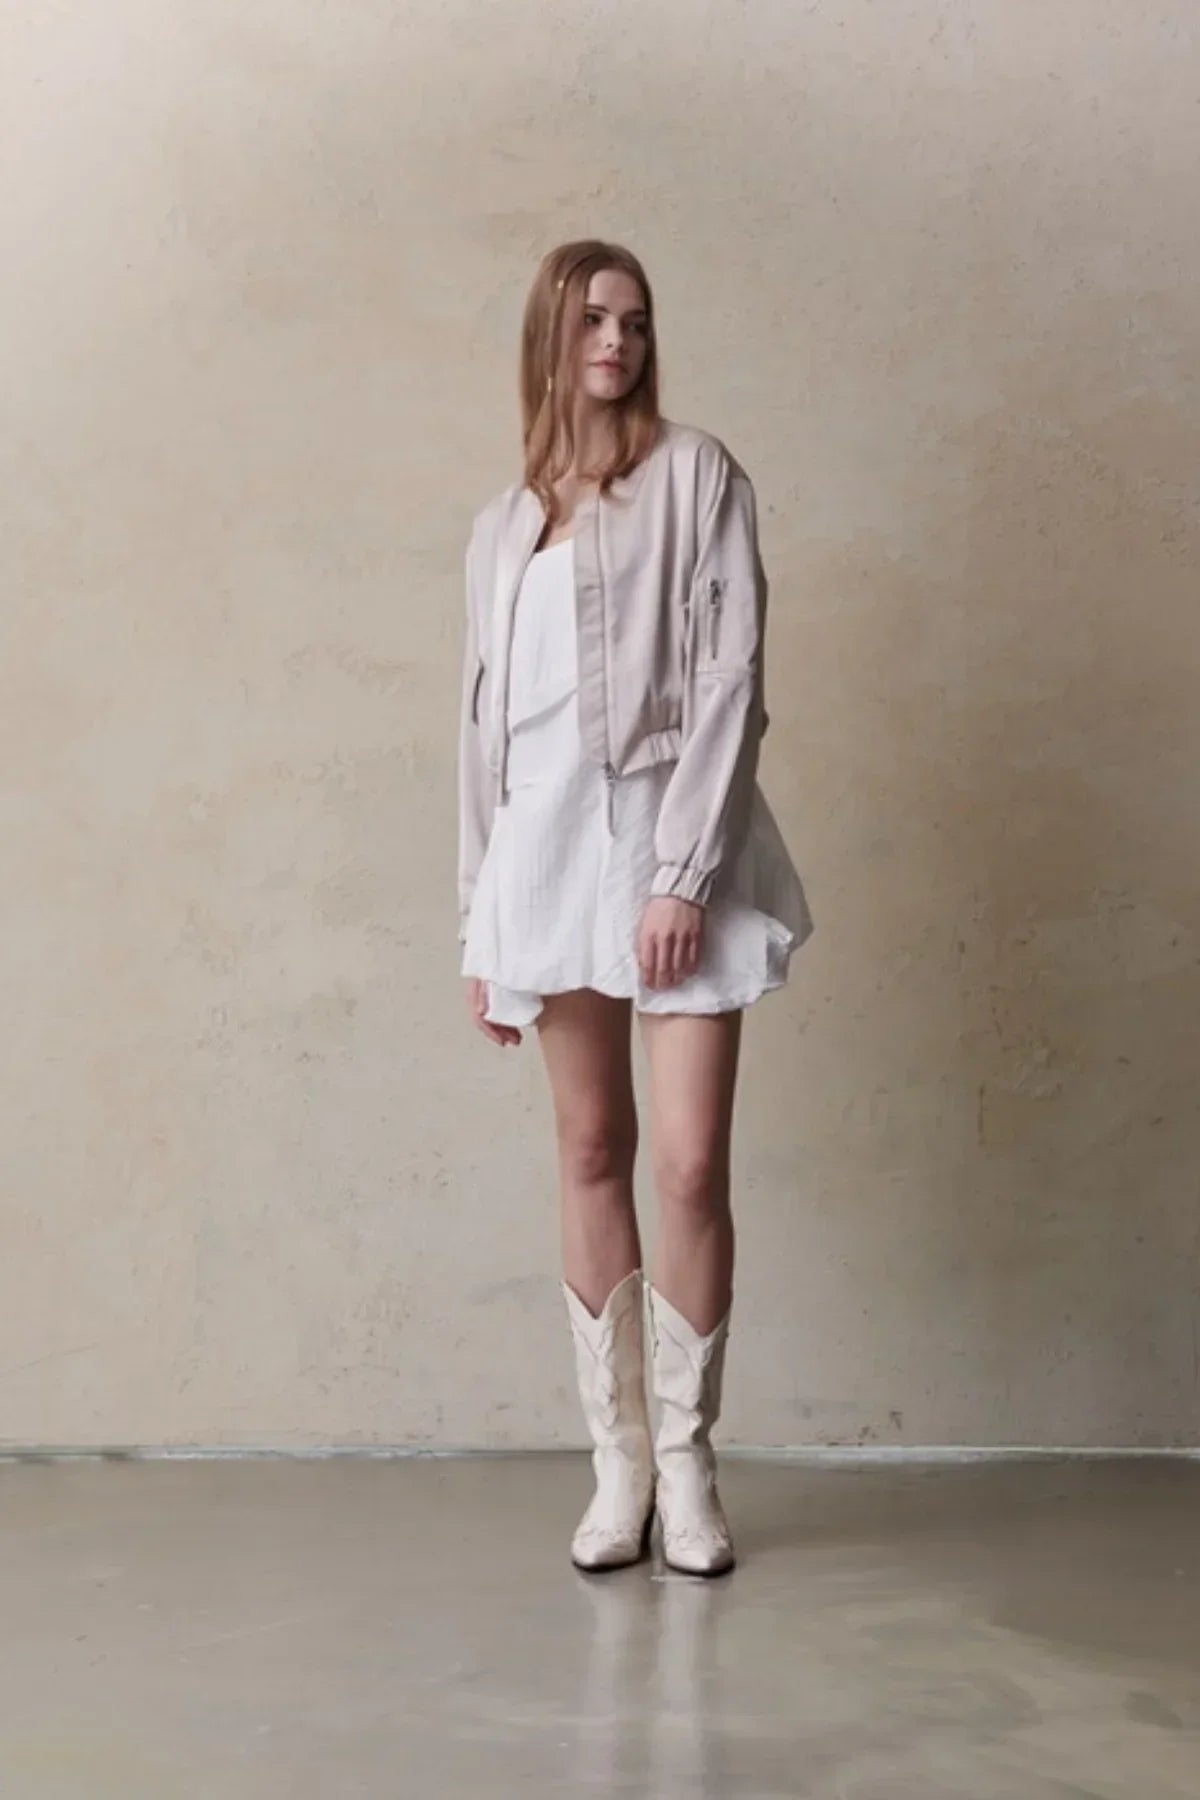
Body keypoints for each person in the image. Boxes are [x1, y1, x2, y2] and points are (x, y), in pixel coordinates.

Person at [456, 239, 814, 1576]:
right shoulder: (503, 528)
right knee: (592, 1152)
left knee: (688, 1164)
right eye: (595, 317)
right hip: (543, 854)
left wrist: (682, 874)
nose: (619, 337)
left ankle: (689, 1464)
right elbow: (481, 738)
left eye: (638, 319)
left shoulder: (698, 478)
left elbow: (731, 677)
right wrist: (478, 925)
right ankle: (617, 1474)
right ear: (550, 334)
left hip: (671, 838)